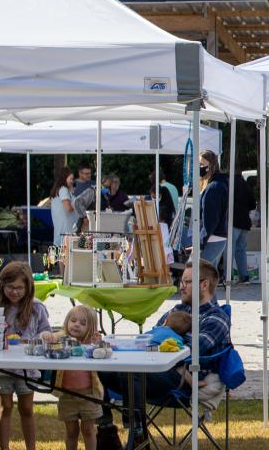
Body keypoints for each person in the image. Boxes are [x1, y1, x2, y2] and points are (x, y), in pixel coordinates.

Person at [100, 261, 233, 408]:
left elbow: (188, 351)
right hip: (157, 368)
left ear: (204, 285)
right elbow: (154, 338)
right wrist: (139, 350)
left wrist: (153, 349)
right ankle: (106, 426)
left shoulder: (216, 317)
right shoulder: (178, 310)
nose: (181, 287)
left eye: (187, 282)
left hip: (184, 380)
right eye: (181, 281)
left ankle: (137, 428)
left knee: (132, 373)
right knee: (101, 369)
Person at [0, 262, 50, 450]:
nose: (14, 292)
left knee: (26, 408)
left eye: (19, 288)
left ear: (28, 287)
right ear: (2, 286)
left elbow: (46, 331)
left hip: (27, 368)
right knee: (4, 407)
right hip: (2, 367)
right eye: (9, 287)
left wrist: (42, 337)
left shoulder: (36, 308)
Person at [56, 305, 103, 450]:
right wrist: (47, 335)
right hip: (67, 395)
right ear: (67, 321)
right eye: (73, 320)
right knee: (71, 432)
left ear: (91, 328)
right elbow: (50, 336)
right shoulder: (62, 339)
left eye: (83, 323)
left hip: (89, 394)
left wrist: (97, 343)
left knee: (88, 430)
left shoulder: (92, 344)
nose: (76, 325)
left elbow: (104, 351)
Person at [195, 151, 232, 277]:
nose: (199, 168)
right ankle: (211, 298)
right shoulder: (218, 185)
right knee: (209, 281)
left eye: (201, 164)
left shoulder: (213, 187)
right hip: (216, 238)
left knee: (202, 278)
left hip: (212, 238)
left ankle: (208, 298)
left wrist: (200, 242)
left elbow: (210, 219)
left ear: (210, 165)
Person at [49, 167, 80, 247]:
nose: (72, 181)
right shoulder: (63, 190)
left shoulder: (61, 190)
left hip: (62, 234)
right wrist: (79, 203)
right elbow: (68, 208)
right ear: (64, 178)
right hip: (66, 235)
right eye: (71, 179)